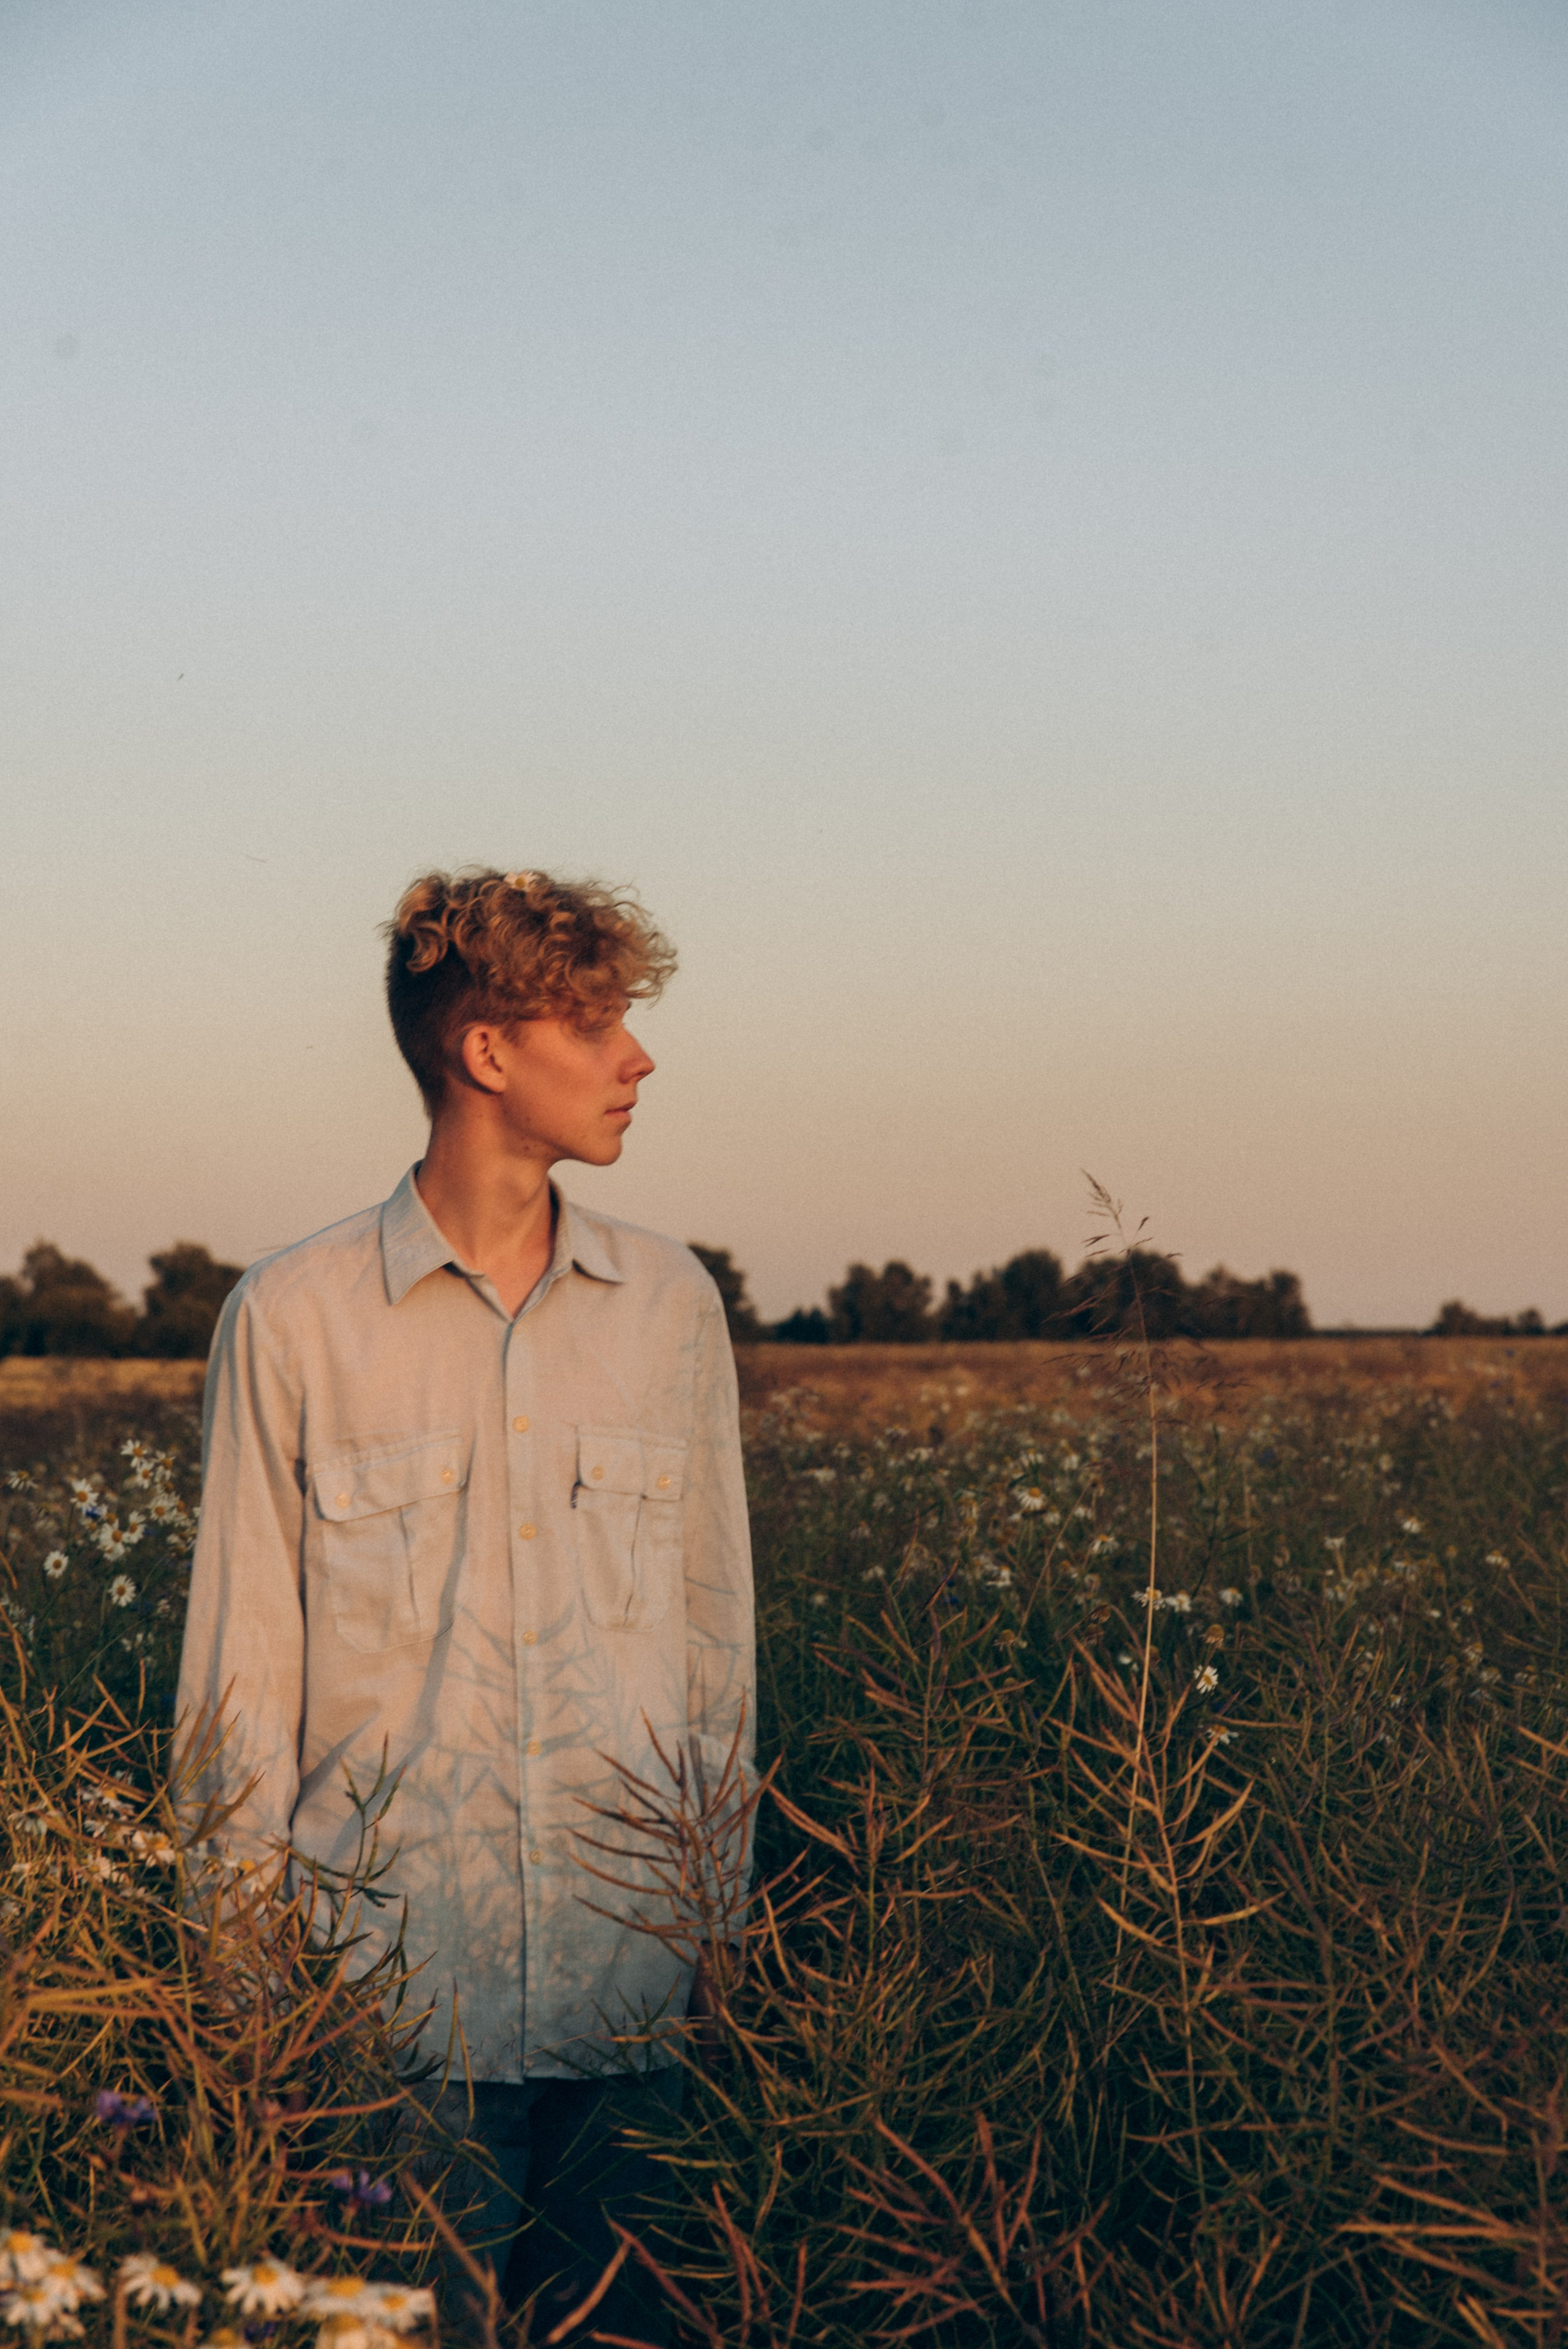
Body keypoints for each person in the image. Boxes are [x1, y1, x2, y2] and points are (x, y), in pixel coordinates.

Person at [176, 867, 755, 2337]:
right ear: (484, 1052)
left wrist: (720, 1941)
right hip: (385, 2022)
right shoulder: (294, 1319)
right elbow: (238, 1683)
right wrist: (243, 2009)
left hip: (633, 2000)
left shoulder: (670, 1305)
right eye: (598, 1023)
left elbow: (712, 1650)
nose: (638, 1057)